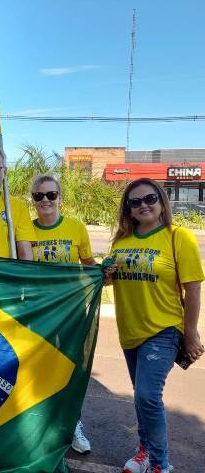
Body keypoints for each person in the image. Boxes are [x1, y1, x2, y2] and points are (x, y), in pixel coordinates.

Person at [110, 178, 204, 473]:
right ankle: (143, 453)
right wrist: (105, 274)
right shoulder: (121, 241)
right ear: (128, 208)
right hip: (130, 331)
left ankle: (161, 465)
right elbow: (111, 278)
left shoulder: (179, 236)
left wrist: (190, 333)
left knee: (148, 396)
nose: (143, 206)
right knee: (141, 397)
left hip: (164, 329)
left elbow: (193, 289)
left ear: (162, 200)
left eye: (149, 198)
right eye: (134, 201)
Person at [30, 174, 94, 455]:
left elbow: (89, 263)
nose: (45, 201)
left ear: (60, 197)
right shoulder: (25, 230)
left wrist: (104, 272)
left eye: (51, 195)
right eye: (39, 196)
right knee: (40, 369)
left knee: (71, 369)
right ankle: (41, 426)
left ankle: (72, 424)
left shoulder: (76, 227)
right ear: (33, 200)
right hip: (40, 311)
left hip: (72, 311)